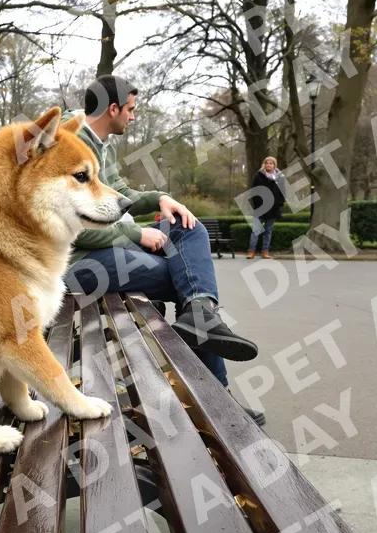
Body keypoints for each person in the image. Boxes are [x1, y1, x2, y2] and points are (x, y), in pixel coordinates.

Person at [63, 75, 265, 425]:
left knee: (188, 228)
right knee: (179, 281)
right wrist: (134, 233)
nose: (133, 116)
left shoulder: (101, 142)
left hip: (110, 247)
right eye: (131, 110)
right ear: (113, 109)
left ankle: (201, 311)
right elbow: (72, 225)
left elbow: (121, 194)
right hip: (80, 262)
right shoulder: (72, 145)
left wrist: (161, 199)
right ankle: (215, 400)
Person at [247, 156, 286, 259]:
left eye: (271, 163)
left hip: (273, 208)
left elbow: (283, 193)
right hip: (260, 208)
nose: (269, 165)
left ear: (274, 165)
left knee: (268, 231)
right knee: (256, 230)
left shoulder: (280, 177)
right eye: (267, 163)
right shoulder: (258, 176)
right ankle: (251, 251)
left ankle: (265, 251)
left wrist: (279, 204)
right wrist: (257, 204)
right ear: (264, 165)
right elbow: (254, 191)